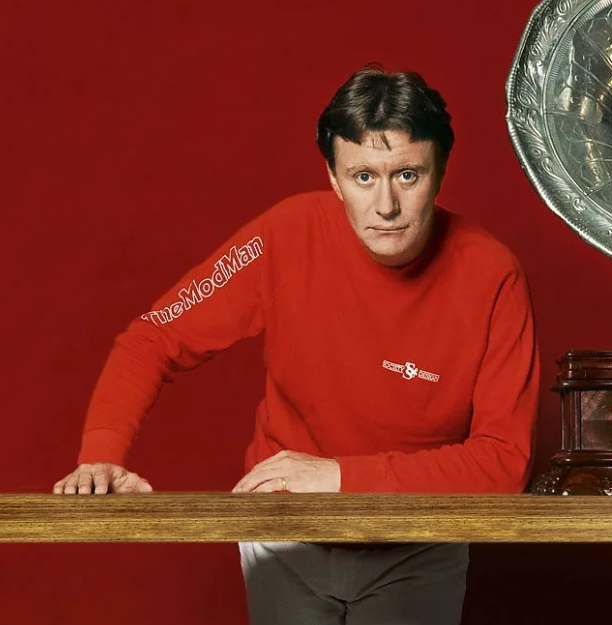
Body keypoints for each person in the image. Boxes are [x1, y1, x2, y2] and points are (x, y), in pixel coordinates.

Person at [53, 65, 540, 625]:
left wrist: (340, 478)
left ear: (441, 170)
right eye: (363, 177)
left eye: (407, 175)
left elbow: (505, 463)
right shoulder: (283, 236)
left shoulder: (493, 274)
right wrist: (101, 456)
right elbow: (153, 336)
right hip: (284, 535)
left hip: (418, 541)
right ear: (333, 177)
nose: (386, 205)